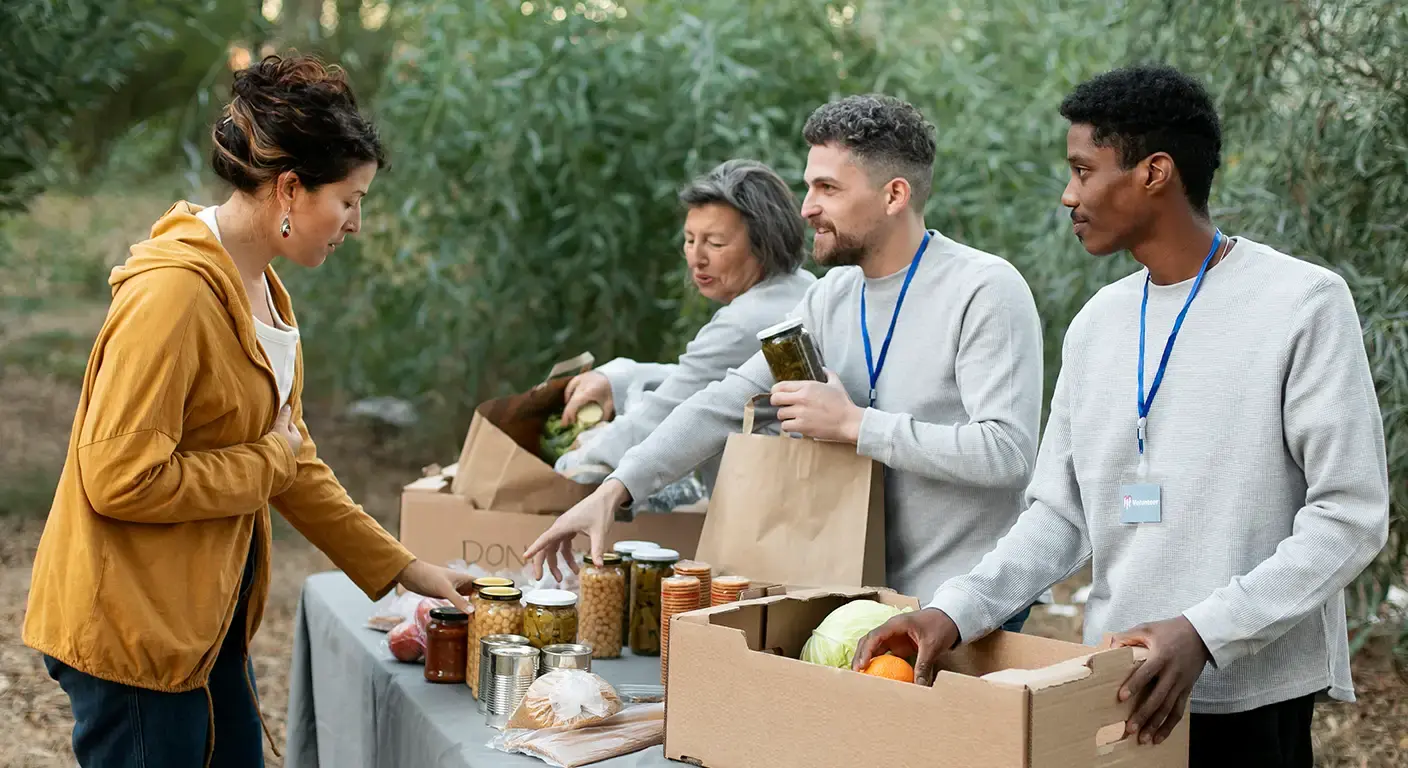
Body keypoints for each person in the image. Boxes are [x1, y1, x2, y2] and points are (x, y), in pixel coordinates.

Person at [854, 65, 1389, 767]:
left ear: (1154, 172)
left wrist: (1203, 632)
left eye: (1083, 169)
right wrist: (953, 610)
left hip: (1250, 701)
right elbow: (1058, 514)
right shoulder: (1096, 324)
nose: (1068, 194)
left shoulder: (1303, 304)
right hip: (1113, 691)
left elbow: (1350, 515)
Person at [23, 54, 475, 767]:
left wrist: (406, 570)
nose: (355, 223)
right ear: (290, 189)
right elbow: (118, 477)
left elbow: (293, 461)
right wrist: (264, 461)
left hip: (201, 627)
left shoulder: (262, 290)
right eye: (350, 199)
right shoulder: (172, 297)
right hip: (135, 635)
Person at [529, 95, 1045, 614]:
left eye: (828, 188)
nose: (806, 208)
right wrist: (616, 488)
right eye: (808, 186)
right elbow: (725, 401)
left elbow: (1007, 454)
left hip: (964, 609)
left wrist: (857, 425)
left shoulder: (984, 290)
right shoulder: (830, 297)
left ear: (893, 195)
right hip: (853, 598)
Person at [553, 159, 817, 493]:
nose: (696, 257)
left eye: (716, 243)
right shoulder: (801, 286)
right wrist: (619, 380)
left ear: (764, 245)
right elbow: (711, 384)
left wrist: (578, 461)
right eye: (690, 239)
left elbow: (671, 411)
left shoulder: (746, 322)